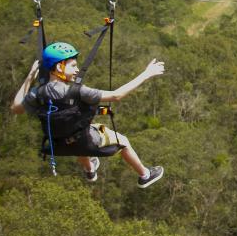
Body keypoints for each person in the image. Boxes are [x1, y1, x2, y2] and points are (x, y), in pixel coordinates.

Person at [11, 41, 165, 188]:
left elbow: (16, 108)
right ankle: (145, 175)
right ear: (59, 67)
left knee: (78, 129)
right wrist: (146, 74)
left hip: (59, 145)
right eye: (73, 66)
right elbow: (116, 95)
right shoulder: (78, 91)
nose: (77, 70)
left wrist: (30, 76)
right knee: (122, 141)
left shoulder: (37, 94)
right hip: (85, 141)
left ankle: (90, 170)